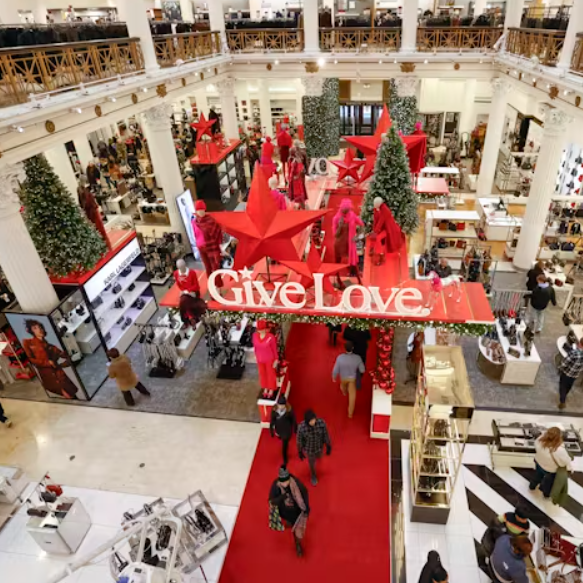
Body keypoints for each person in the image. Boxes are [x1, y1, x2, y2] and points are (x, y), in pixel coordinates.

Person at [22, 319, 79, 400]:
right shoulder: (28, 343)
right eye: (35, 328)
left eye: (40, 327)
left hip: (59, 375)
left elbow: (67, 356)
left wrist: (62, 364)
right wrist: (47, 363)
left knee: (72, 396)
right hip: (48, 376)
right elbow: (31, 359)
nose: (39, 330)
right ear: (31, 331)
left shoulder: (52, 347)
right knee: (67, 395)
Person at [269, 466, 310, 557]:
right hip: (285, 511)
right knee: (290, 523)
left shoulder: (297, 485)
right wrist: (283, 497)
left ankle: (297, 544)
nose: (284, 484)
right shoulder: (276, 485)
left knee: (297, 531)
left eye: (286, 481)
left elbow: (304, 496)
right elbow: (272, 501)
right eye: (282, 481)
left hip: (297, 512)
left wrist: (306, 510)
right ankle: (290, 524)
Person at [529, 427, 572, 497]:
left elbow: (538, 442)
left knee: (537, 475)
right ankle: (546, 494)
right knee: (548, 483)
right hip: (550, 470)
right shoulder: (559, 450)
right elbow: (565, 461)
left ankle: (532, 486)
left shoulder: (539, 441)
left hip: (539, 463)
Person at [297, 409, 331, 485]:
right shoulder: (301, 428)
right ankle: (313, 476)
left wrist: (328, 445)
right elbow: (299, 440)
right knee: (312, 464)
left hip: (319, 447)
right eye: (310, 421)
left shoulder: (321, 423)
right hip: (309, 450)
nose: (313, 422)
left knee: (319, 456)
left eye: (313, 420)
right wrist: (300, 451)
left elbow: (325, 434)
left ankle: (318, 456)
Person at [332, 341, 365, 418]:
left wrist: (334, 377)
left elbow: (335, 369)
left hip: (343, 377)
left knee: (342, 386)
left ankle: (344, 392)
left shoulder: (340, 357)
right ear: (353, 348)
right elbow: (362, 370)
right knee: (352, 397)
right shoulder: (357, 358)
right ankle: (350, 413)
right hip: (352, 379)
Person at [270, 395, 297, 466]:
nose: (281, 407)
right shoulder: (274, 411)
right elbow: (272, 421)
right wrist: (271, 431)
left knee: (284, 445)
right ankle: (284, 442)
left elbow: (293, 420)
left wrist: (295, 428)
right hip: (278, 430)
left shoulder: (289, 411)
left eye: (282, 405)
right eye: (279, 405)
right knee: (281, 439)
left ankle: (285, 459)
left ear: (285, 405)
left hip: (286, 431)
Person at [558, 338, 583, 409]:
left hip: (567, 373)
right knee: (569, 386)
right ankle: (565, 395)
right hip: (575, 374)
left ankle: (562, 401)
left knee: (562, 386)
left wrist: (560, 368)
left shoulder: (574, 352)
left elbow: (565, 363)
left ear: (580, 343)